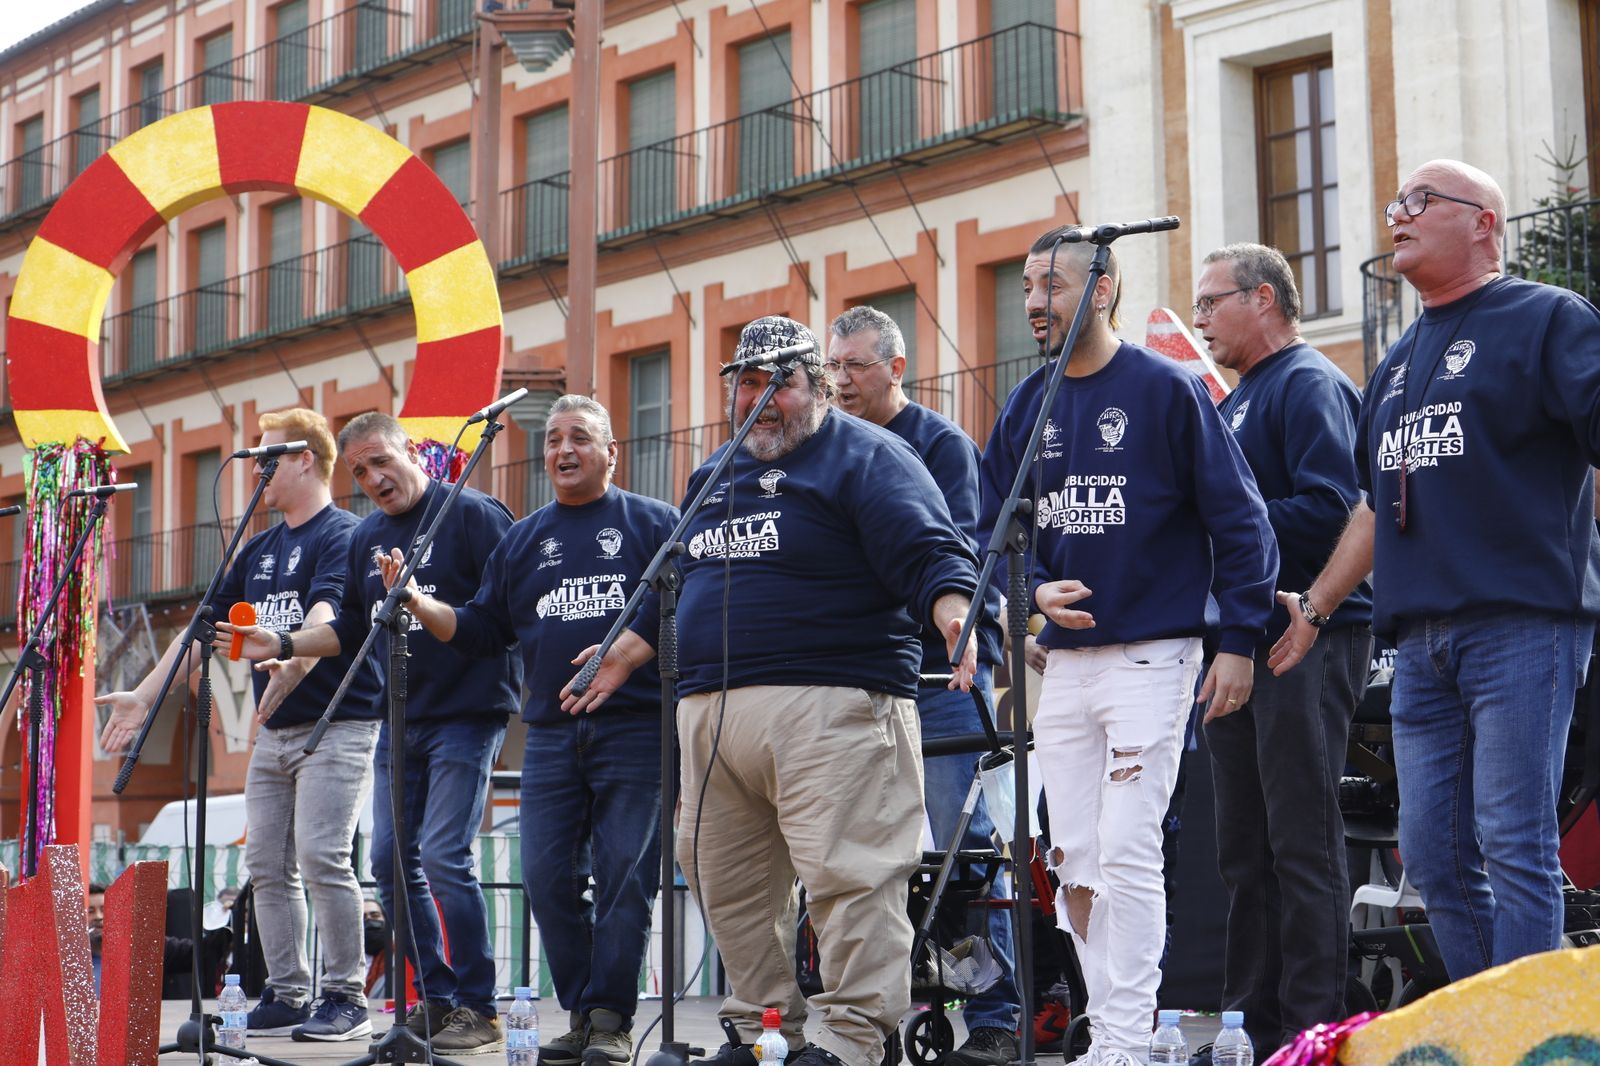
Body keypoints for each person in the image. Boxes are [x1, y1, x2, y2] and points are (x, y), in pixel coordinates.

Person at [565, 315, 981, 1066]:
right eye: (747, 384)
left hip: (835, 704)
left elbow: (930, 548)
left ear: (817, 387)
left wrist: (955, 610)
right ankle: (765, 1034)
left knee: (851, 877)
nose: (760, 401)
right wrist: (629, 647)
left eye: (778, 384)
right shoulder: (713, 472)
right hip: (712, 714)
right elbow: (683, 576)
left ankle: (852, 1040)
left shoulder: (868, 456)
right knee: (732, 885)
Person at [1270, 160, 1600, 981]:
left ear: (1485, 223)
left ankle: (1529, 1038)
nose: (1398, 217)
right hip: (1418, 642)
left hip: (1521, 623)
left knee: (1511, 836)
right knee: (1432, 854)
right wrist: (1313, 608)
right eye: (1394, 204)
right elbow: (1375, 510)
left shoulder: (1547, 319)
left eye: (1422, 201)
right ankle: (1491, 1022)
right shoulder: (1395, 361)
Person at [979, 230, 1276, 1066]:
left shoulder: (1167, 391)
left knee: (1128, 847)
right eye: (1029, 287)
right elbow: (989, 530)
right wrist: (1030, 591)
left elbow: (1243, 522)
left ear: (1101, 291)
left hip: (1156, 655)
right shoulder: (1027, 404)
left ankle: (1121, 1039)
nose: (1035, 302)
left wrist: (1240, 642)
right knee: (1071, 857)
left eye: (1054, 286)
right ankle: (1122, 1030)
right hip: (1065, 665)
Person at [376, 395, 678, 1066]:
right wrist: (420, 602)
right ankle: (580, 1011)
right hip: (549, 735)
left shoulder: (654, 524)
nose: (563, 450)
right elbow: (483, 631)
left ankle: (610, 1018)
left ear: (610, 453)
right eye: (552, 440)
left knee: (625, 876)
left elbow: (690, 602)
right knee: (545, 880)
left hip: (636, 732)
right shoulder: (525, 540)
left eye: (579, 438)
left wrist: (632, 650)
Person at [225, 411, 521, 1052]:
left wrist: (420, 602)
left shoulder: (469, 513)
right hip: (400, 718)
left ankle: (480, 1006)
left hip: (467, 715)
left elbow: (506, 612)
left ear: (409, 450)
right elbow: (346, 630)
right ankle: (436, 1001)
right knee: (389, 863)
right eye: (360, 469)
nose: (374, 477)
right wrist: (284, 643)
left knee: (443, 856)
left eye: (382, 460)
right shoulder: (369, 538)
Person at [97, 408, 381, 1041]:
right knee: (265, 864)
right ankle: (285, 991)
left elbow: (330, 609)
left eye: (267, 454)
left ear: (306, 457)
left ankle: (345, 996)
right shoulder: (258, 547)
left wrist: (292, 658)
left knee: (321, 854)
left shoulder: (343, 534)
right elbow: (204, 629)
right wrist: (145, 694)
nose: (255, 466)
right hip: (274, 731)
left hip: (339, 723)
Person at [826, 305, 1020, 1066]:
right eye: (832, 367)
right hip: (853, 674)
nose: (840, 381)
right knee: (861, 854)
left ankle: (998, 1015)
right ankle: (868, 1011)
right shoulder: (829, 448)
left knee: (962, 850)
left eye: (855, 366)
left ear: (896, 369)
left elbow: (952, 554)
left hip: (936, 675)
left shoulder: (939, 445)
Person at [1190, 244, 1372, 1056]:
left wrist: (1223, 517)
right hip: (1242, 643)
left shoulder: (1307, 382)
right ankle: (1248, 1029)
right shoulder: (1238, 399)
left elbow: (1335, 506)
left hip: (1310, 633)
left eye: (1210, 302)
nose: (1198, 319)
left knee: (1301, 840)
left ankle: (1310, 1031)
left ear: (1263, 298)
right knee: (1243, 851)